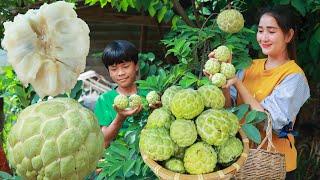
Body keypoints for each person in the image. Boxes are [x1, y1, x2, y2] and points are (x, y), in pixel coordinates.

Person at [208, 5, 310, 179]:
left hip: (273, 166)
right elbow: (229, 109)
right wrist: (223, 80)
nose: (263, 38)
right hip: (240, 161)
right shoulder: (250, 66)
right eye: (261, 31)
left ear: (288, 35)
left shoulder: (294, 76)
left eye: (271, 31)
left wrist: (239, 84)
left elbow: (273, 124)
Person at [94, 40, 148, 148]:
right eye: (114, 69)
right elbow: (103, 141)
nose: (120, 73)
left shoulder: (148, 94)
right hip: (117, 159)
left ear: (136, 66)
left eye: (125, 66)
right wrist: (120, 117)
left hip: (148, 156)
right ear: (109, 71)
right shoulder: (104, 100)